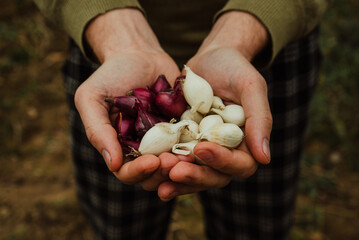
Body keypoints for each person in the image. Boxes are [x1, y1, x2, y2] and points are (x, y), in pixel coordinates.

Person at [34, 0, 328, 239]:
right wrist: (113, 24)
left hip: (266, 47)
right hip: (106, 51)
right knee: (119, 228)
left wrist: (244, 30)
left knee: (257, 227)